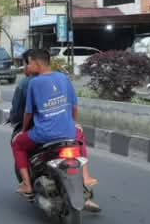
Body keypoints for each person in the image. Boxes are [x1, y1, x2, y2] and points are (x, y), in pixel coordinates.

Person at [11, 49, 95, 196]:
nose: (27, 67)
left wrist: (24, 130)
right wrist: (73, 123)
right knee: (80, 136)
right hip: (68, 131)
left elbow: (28, 113)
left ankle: (26, 185)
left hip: (44, 133)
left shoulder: (33, 83)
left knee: (17, 144)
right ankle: (86, 176)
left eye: (29, 63)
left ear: (36, 63)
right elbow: (74, 106)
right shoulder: (63, 78)